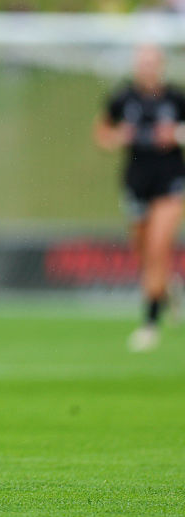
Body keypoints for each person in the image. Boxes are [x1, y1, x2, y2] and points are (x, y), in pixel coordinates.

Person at [94, 44, 185, 352]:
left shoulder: (176, 98)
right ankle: (166, 289)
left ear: (160, 65)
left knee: (159, 247)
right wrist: (118, 137)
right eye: (141, 63)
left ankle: (149, 325)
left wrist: (175, 134)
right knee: (144, 254)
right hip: (136, 181)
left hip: (171, 181)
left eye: (151, 62)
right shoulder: (123, 98)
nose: (146, 68)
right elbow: (102, 133)